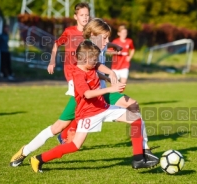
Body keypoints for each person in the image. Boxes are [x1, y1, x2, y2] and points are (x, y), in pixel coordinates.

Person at [10, 17, 158, 167]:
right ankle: (25, 151)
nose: (107, 40)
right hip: (84, 96)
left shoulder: (100, 45)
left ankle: (143, 151)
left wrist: (109, 74)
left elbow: (96, 66)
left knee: (133, 107)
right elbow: (90, 69)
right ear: (94, 35)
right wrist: (110, 77)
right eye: (105, 37)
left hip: (100, 93)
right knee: (57, 127)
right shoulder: (84, 50)